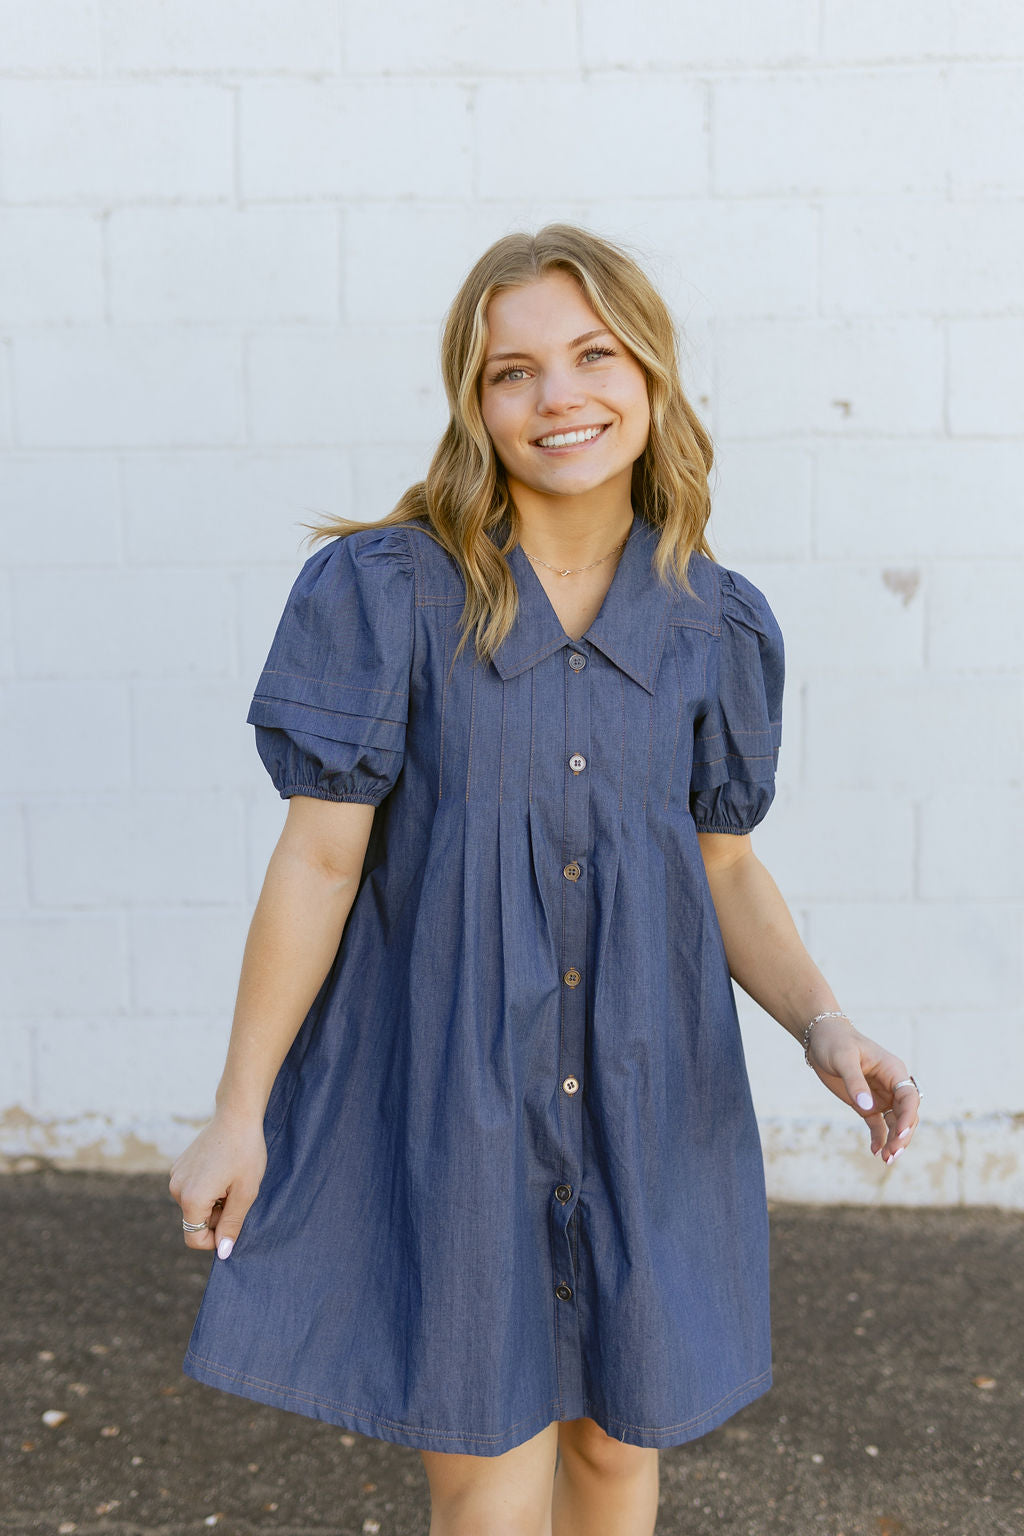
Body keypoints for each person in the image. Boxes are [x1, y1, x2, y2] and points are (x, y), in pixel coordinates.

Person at [169, 223, 922, 1536]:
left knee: (623, 1451)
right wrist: (240, 1110)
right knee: (484, 1466)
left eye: (591, 355)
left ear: (651, 375)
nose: (556, 395)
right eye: (511, 370)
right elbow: (320, 857)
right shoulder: (385, 594)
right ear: (473, 398)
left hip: (651, 1093)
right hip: (451, 1097)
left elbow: (725, 864)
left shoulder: (717, 622)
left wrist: (825, 1022)